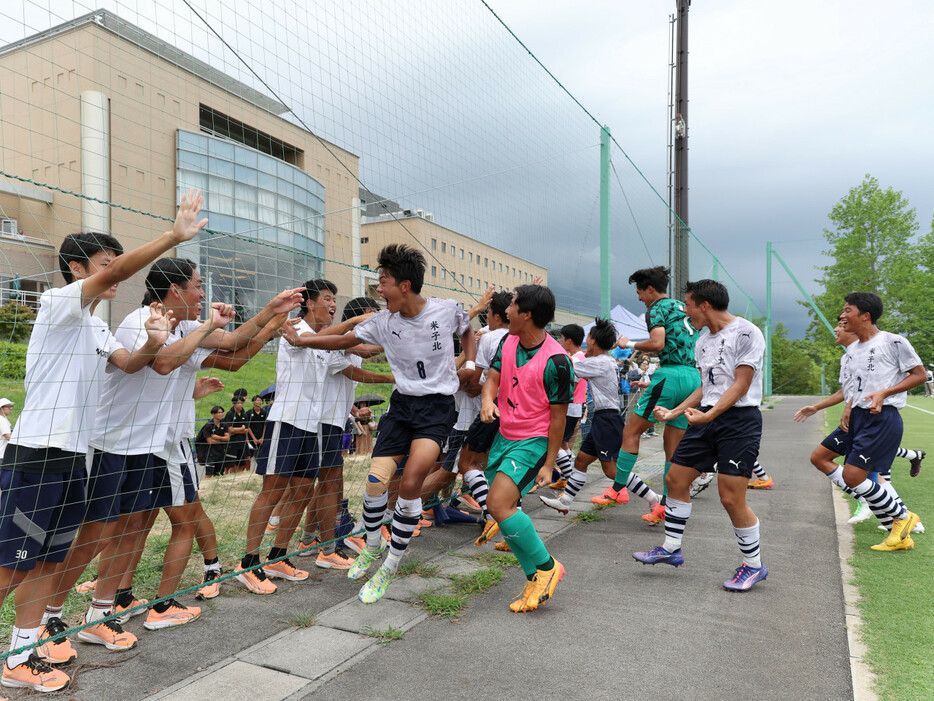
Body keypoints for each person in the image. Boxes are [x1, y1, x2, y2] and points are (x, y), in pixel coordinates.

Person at [0, 190, 206, 692]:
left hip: (77, 457)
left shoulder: (95, 327)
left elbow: (130, 366)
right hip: (37, 454)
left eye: (113, 263)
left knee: (50, 560)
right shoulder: (56, 305)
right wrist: (171, 237)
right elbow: (115, 277)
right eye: (103, 263)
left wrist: (157, 340)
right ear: (76, 268)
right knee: (9, 565)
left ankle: (19, 655)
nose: (113, 271)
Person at [284, 244, 477, 604]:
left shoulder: (445, 310)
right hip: (402, 407)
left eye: (383, 282)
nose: (378, 289)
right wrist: (304, 341)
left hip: (436, 410)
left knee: (410, 481)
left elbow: (467, 330)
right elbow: (345, 340)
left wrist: (471, 367)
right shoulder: (384, 322)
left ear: (404, 285)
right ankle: (372, 545)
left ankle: (390, 566)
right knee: (375, 481)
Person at [633, 279, 769, 592]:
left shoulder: (747, 332)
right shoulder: (702, 339)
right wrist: (675, 412)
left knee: (731, 497)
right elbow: (704, 387)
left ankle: (754, 566)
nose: (685, 312)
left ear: (704, 305)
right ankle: (670, 548)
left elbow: (741, 384)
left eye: (688, 305)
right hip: (706, 416)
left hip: (738, 421)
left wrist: (709, 415)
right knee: (676, 479)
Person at [234, 279, 367, 595]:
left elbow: (356, 349)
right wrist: (358, 321)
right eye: (326, 298)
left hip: (312, 428)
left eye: (335, 299)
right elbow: (327, 338)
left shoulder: (323, 342)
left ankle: (278, 557)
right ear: (308, 303)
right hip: (288, 423)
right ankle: (247, 563)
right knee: (273, 490)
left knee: (304, 491)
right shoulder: (294, 331)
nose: (332, 304)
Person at [801, 294, 925, 551]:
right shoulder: (852, 351)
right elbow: (855, 387)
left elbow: (920, 375)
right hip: (856, 416)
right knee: (819, 457)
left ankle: (903, 517)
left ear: (865, 316)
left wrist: (884, 393)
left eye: (847, 311)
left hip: (881, 418)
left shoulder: (893, 341)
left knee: (855, 476)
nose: (842, 317)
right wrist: (848, 407)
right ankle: (898, 530)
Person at [481, 284, 569, 612]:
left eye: (514, 304)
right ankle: (534, 576)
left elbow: (558, 420)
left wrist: (548, 464)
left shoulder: (557, 361)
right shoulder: (508, 341)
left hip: (533, 441)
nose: (507, 310)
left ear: (527, 314)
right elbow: (492, 379)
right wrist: (488, 401)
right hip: (504, 436)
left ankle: (548, 568)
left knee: (499, 504)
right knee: (501, 511)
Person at [595, 267, 701, 528]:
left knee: (631, 431)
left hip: (670, 376)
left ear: (650, 290)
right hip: (692, 377)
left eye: (640, 292)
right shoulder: (681, 306)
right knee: (672, 447)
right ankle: (666, 506)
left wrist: (628, 344)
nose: (640, 297)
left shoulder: (656, 309)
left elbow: (657, 344)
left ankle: (618, 488)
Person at [540, 318, 660, 515]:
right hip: (603, 419)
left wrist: (570, 354)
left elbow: (567, 370)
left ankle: (654, 500)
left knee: (612, 471)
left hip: (607, 420)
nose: (586, 340)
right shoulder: (606, 360)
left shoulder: (599, 363)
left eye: (589, 337)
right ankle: (566, 501)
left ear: (594, 340)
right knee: (581, 461)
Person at [553, 324, 586, 488]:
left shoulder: (576, 360)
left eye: (562, 338)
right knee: (563, 443)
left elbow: (570, 382)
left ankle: (569, 478)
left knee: (557, 442)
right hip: (573, 406)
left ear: (569, 341)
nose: (560, 341)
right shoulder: (579, 358)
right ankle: (566, 477)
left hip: (569, 406)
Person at [197, 408, 230, 476]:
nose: (221, 414)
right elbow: (210, 441)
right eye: (219, 413)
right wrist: (222, 440)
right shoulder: (208, 426)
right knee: (209, 474)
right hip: (210, 454)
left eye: (222, 412)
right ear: (213, 414)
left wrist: (218, 438)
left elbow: (227, 438)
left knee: (219, 474)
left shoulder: (224, 424)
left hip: (221, 452)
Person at [223, 394, 250, 473]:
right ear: (233, 403)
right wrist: (241, 429)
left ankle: (237, 475)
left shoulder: (244, 414)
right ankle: (229, 476)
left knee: (242, 462)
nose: (240, 405)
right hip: (232, 442)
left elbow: (246, 430)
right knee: (231, 463)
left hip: (242, 441)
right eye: (238, 403)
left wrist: (236, 431)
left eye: (241, 403)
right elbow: (230, 430)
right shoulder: (230, 414)